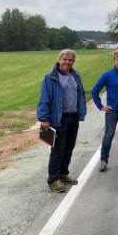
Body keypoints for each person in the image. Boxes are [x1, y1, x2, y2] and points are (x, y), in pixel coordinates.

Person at [36, 49, 87, 193]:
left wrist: (81, 110)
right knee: (57, 149)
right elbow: (44, 99)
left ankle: (63, 174)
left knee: (69, 147)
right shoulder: (50, 77)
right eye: (64, 59)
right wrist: (44, 118)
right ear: (59, 60)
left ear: (73, 62)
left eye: (70, 60)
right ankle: (53, 179)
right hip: (58, 118)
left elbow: (81, 94)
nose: (67, 62)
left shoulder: (75, 75)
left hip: (73, 116)